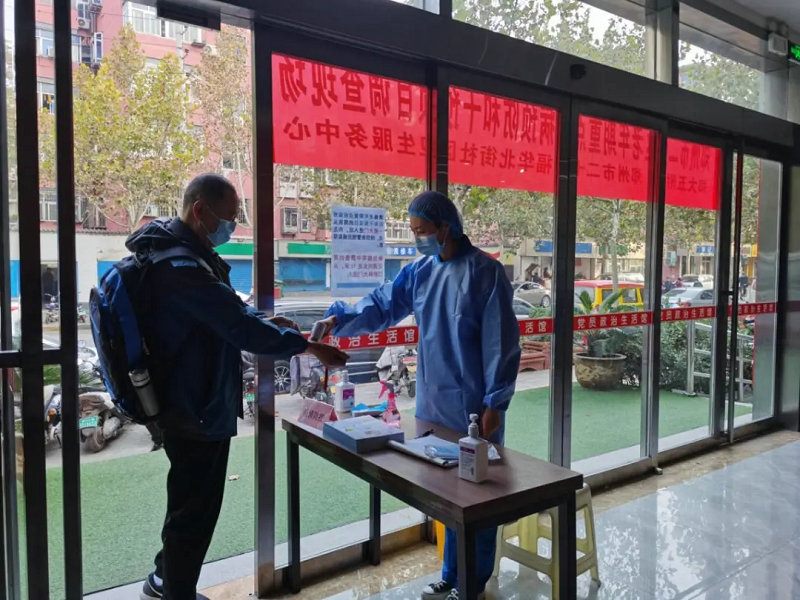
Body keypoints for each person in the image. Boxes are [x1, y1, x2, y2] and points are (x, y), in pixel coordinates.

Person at [132, 174, 348, 600]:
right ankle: (176, 592)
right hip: (193, 407)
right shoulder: (180, 266)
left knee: (190, 502)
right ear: (200, 211)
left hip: (196, 400)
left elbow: (225, 313)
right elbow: (234, 326)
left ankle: (163, 581)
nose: (232, 227)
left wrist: (266, 321)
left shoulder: (189, 256)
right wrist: (309, 347)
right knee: (195, 509)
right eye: (229, 218)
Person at [317, 191, 521, 600]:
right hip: (433, 402)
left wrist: (495, 403)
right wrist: (340, 317)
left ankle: (473, 583)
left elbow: (500, 342)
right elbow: (382, 305)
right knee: (446, 497)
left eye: (421, 230)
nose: (417, 238)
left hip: (474, 407)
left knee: (477, 499)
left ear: (446, 227)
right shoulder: (420, 272)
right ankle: (450, 572)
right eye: (412, 231)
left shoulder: (486, 273)